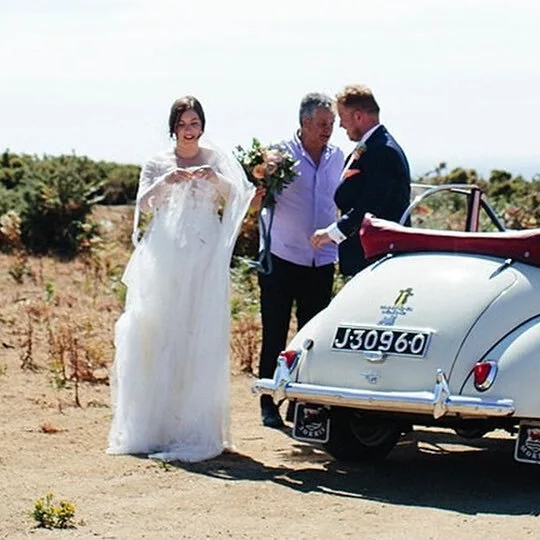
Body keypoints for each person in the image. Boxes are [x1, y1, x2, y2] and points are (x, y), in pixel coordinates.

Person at [107, 96, 252, 462]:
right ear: (173, 127)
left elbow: (236, 196)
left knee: (196, 332)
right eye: (184, 124)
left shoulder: (215, 158)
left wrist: (214, 178)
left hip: (203, 250)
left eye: (195, 123)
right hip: (167, 251)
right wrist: (167, 182)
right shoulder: (158, 162)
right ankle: (155, 423)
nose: (190, 130)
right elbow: (142, 204)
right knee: (160, 330)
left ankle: (194, 424)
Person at [257, 92, 343, 430]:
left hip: (321, 262)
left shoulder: (339, 157)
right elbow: (259, 190)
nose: (328, 130)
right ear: (304, 123)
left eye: (332, 124)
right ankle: (268, 400)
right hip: (282, 257)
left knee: (312, 336)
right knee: (275, 332)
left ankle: (302, 404)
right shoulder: (280, 155)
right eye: (322, 124)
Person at [311, 84, 411, 278]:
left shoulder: (383, 150)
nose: (340, 125)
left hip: (376, 258)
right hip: (365, 258)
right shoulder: (372, 146)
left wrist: (333, 233)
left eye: (342, 117)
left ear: (358, 116)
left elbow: (371, 205)